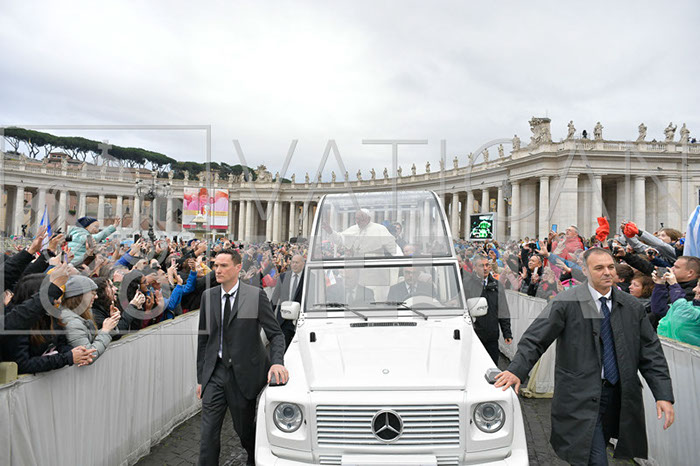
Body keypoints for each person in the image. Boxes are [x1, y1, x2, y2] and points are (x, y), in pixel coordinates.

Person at [495, 248, 675, 465]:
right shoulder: (567, 302)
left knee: (587, 453)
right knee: (594, 458)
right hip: (579, 397)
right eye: (599, 268)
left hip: (617, 397)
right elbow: (536, 339)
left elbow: (651, 353)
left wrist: (663, 394)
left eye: (610, 267)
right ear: (585, 271)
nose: (607, 272)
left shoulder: (631, 306)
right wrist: (516, 370)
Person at [196, 248, 287, 466]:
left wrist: (277, 363)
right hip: (215, 374)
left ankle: (255, 460)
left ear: (238, 268)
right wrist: (201, 378)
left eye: (223, 265)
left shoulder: (254, 296)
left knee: (245, 432)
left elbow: (276, 334)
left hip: (243, 376)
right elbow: (203, 340)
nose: (217, 270)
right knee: (207, 436)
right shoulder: (209, 297)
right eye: (216, 265)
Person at [59, 275, 121, 362]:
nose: (96, 297)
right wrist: (105, 330)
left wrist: (111, 323)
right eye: (92, 293)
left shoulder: (80, 315)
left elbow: (91, 338)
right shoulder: (72, 322)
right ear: (81, 296)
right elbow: (89, 355)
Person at [463, 255, 512, 364]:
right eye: (481, 266)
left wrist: (507, 332)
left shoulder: (497, 285)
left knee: (492, 366)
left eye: (487, 265)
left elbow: (503, 309)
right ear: (474, 267)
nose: (485, 268)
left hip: (491, 336)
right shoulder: (466, 284)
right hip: (474, 336)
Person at [322, 209, 399, 257]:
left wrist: (401, 261)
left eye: (360, 219)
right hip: (358, 269)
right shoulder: (354, 229)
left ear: (368, 219)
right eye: (356, 219)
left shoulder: (380, 229)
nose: (357, 221)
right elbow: (340, 239)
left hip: (375, 269)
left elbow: (393, 247)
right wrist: (330, 231)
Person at [270, 254, 305, 348]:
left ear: (303, 264)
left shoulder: (307, 277)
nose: (294, 265)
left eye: (297, 262)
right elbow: (275, 297)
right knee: (283, 348)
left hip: (300, 320)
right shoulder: (283, 277)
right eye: (292, 262)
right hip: (284, 319)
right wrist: (268, 314)